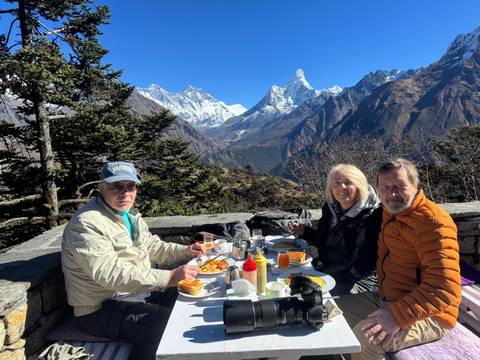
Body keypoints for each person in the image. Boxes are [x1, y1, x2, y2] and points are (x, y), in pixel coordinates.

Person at [62, 161, 206, 360]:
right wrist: (169, 277)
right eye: (116, 186)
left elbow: (152, 246)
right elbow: (109, 273)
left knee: (190, 299)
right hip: (100, 308)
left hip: (134, 293)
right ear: (101, 188)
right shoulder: (87, 224)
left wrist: (186, 251)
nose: (125, 193)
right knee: (166, 327)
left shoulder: (129, 215)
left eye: (130, 186)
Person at [336, 158, 461, 360]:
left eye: (399, 187)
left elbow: (444, 288)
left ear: (415, 186)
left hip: (431, 314)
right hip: (388, 298)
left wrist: (396, 315)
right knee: (327, 312)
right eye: (385, 188)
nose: (391, 194)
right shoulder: (390, 213)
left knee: (365, 338)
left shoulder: (433, 223)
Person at [290, 164, 382, 295]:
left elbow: (363, 264)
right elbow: (328, 240)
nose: (341, 187)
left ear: (359, 185)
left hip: (356, 279)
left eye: (348, 182)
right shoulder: (332, 208)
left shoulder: (370, 217)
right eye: (337, 183)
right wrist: (305, 232)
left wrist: (321, 278)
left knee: (305, 295)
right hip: (329, 268)